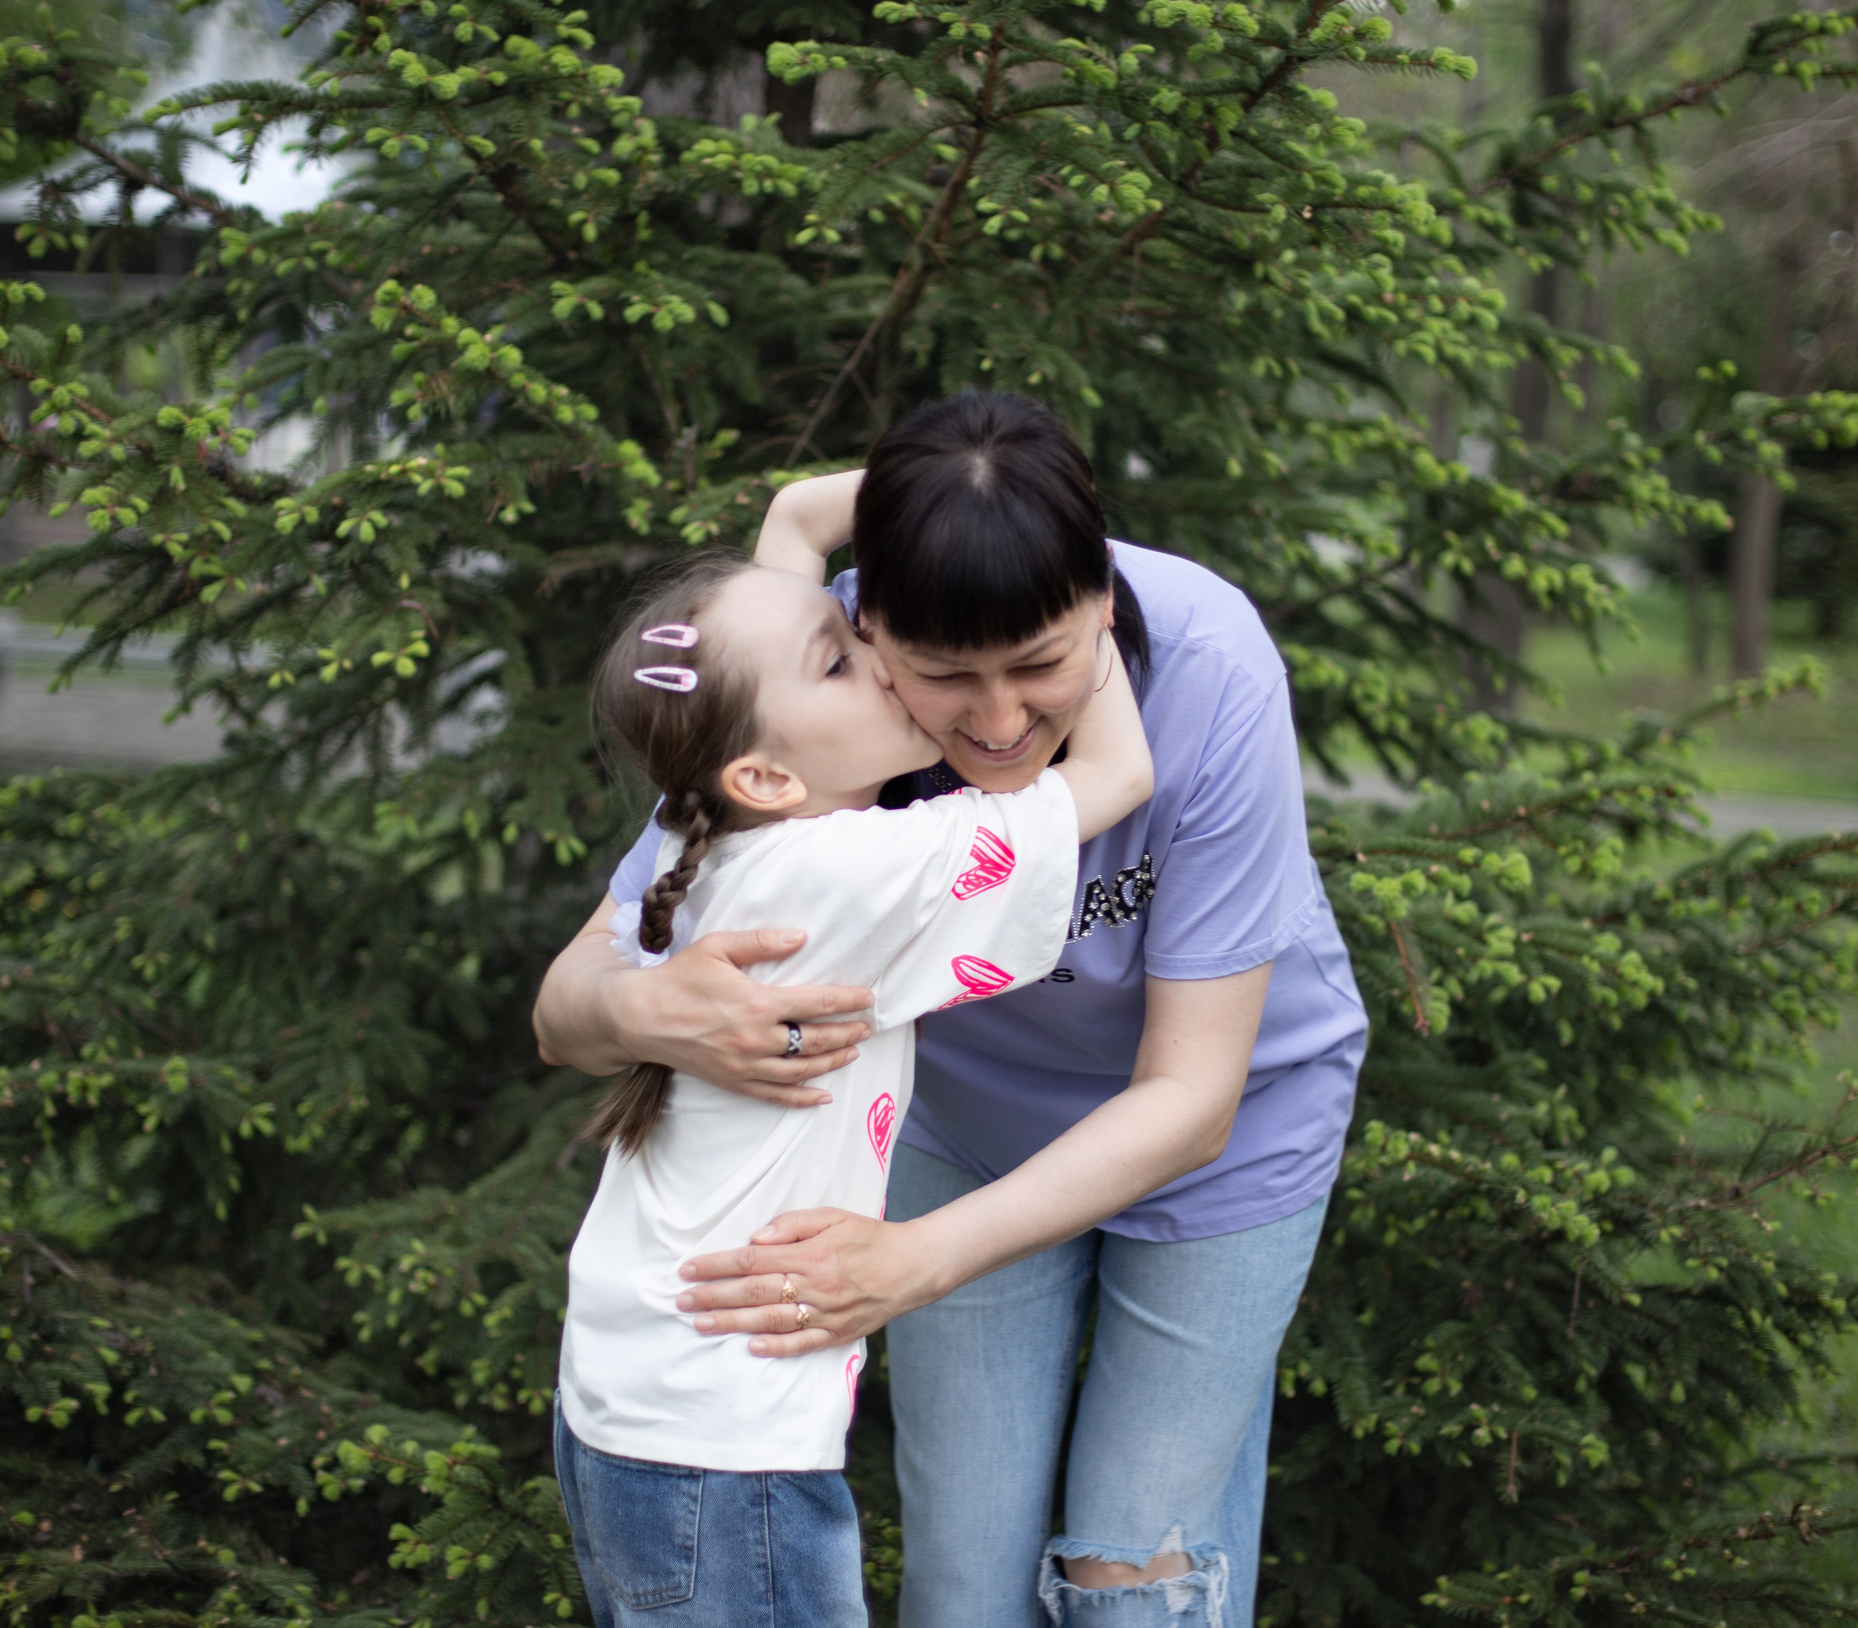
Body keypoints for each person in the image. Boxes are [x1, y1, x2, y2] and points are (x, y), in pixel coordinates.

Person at [534, 390, 1369, 1628]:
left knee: (1131, 1575)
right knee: (964, 1585)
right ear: (865, 634)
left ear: (1102, 606)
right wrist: (662, 1014)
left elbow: (1191, 1100)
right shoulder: (814, 709)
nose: (994, 724)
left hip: (1223, 1145)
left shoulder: (1207, 664)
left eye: (1043, 667)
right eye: (944, 680)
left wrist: (913, 1262)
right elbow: (570, 1005)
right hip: (958, 1130)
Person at [553, 547, 1155, 1628]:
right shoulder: (846, 874)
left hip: (632, 1401)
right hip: (724, 1447)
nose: (877, 655)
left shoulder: (707, 852)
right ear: (769, 778)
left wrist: (808, 517)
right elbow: (1116, 776)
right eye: (836, 659)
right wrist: (1067, 596)